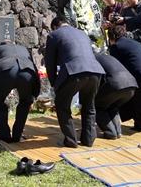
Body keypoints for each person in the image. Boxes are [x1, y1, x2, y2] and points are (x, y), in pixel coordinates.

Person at [45, 16, 104, 148]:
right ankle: (88, 140)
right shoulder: (82, 33)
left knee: (62, 104)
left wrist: (54, 84)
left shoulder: (54, 35)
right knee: (89, 106)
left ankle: (70, 140)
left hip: (73, 71)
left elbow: (50, 63)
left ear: (55, 27)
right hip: (95, 71)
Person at [0, 40, 40, 143]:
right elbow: (34, 68)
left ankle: (4, 136)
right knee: (25, 103)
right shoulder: (25, 49)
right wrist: (33, 96)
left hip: (6, 71)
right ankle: (17, 135)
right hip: (27, 72)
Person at [93, 52, 138, 139]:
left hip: (115, 84)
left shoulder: (92, 59)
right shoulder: (106, 56)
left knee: (97, 107)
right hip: (132, 85)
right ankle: (118, 131)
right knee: (112, 107)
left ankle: (110, 132)